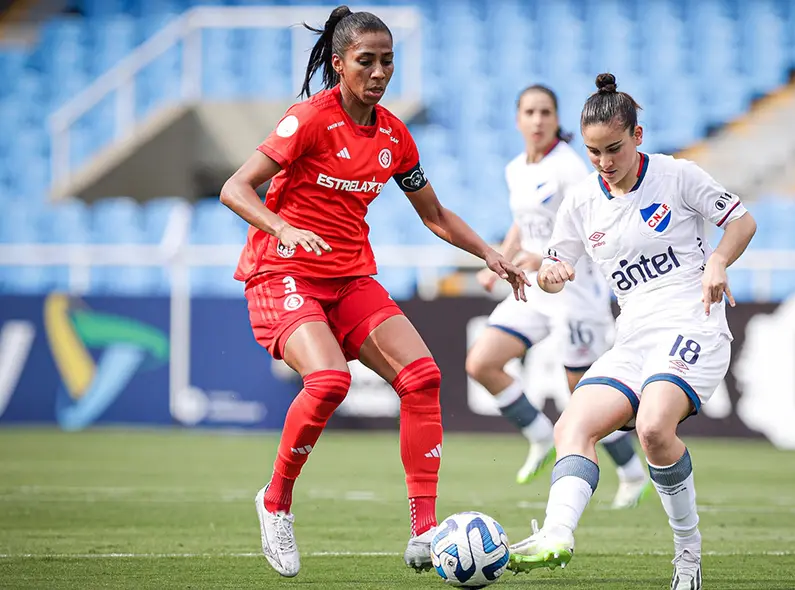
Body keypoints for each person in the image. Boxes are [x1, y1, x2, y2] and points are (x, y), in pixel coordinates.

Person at [219, 5, 528, 579]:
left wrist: (488, 252)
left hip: (349, 278)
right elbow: (235, 188)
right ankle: (275, 501)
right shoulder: (308, 119)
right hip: (283, 274)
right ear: (339, 64)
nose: (380, 72)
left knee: (423, 377)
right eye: (367, 61)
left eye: (388, 60)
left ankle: (424, 530)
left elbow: (434, 214)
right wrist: (282, 228)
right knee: (330, 380)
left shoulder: (393, 135)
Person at [507, 73, 757, 589]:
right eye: (594, 152)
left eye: (614, 148)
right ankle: (556, 535)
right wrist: (551, 275)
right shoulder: (581, 201)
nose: (604, 161)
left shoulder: (677, 176)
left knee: (653, 428)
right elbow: (552, 268)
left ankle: (687, 555)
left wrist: (717, 261)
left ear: (637, 136)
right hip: (634, 337)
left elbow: (742, 221)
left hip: (693, 324)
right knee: (571, 426)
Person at [465, 84, 649, 508]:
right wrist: (499, 259)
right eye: (530, 112)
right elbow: (522, 221)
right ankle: (539, 435)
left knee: (582, 395)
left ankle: (632, 471)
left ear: (556, 118)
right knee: (481, 362)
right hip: (532, 287)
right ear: (517, 119)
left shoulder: (569, 167)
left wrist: (548, 257)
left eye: (546, 112)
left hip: (574, 292)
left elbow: (595, 221)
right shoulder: (516, 169)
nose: (538, 120)